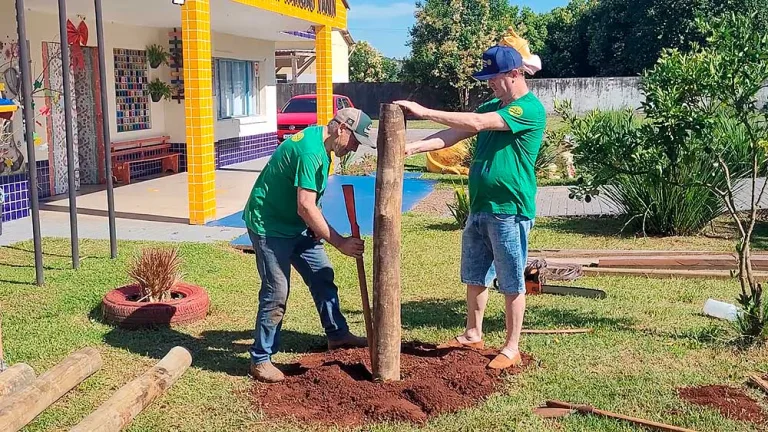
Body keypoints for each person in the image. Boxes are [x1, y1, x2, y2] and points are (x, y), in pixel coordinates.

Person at [395, 44, 546, 369]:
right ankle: (472, 334)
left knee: (511, 280)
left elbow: (476, 123)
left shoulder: (528, 109)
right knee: (475, 276)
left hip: (510, 209)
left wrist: (423, 111)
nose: (489, 84)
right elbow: (452, 134)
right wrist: (413, 147)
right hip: (480, 206)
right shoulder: (494, 104)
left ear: (514, 74)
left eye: (494, 77)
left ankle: (511, 348)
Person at [243, 107, 376, 383]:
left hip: (297, 224)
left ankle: (338, 335)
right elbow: (305, 205)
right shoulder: (311, 152)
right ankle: (261, 359)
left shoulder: (323, 145)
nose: (355, 148)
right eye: (355, 140)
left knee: (322, 274)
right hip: (270, 226)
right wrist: (339, 242)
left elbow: (311, 201)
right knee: (276, 291)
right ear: (342, 128)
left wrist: (315, 226)